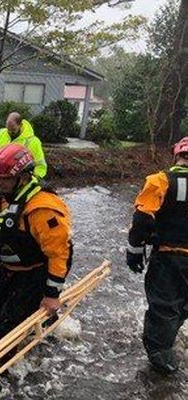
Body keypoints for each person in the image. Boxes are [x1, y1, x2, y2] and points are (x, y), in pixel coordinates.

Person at [0, 143, 72, 352]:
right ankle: (34, 326)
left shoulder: (43, 208)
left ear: (23, 177)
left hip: (34, 274)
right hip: (8, 271)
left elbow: (59, 254)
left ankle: (0, 374)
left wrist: (52, 295)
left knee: (3, 330)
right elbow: (4, 226)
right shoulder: (3, 197)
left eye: (5, 178)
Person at [126, 136, 188, 374]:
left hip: (168, 256)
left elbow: (142, 217)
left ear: (176, 156)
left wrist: (135, 249)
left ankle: (161, 357)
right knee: (182, 305)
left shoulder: (160, 180)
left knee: (164, 306)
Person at [0, 112, 47, 215]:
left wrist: (32, 181)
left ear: (20, 125)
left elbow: (40, 165)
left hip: (17, 183)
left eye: (13, 129)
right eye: (8, 129)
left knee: (12, 212)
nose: (10, 132)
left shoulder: (33, 142)